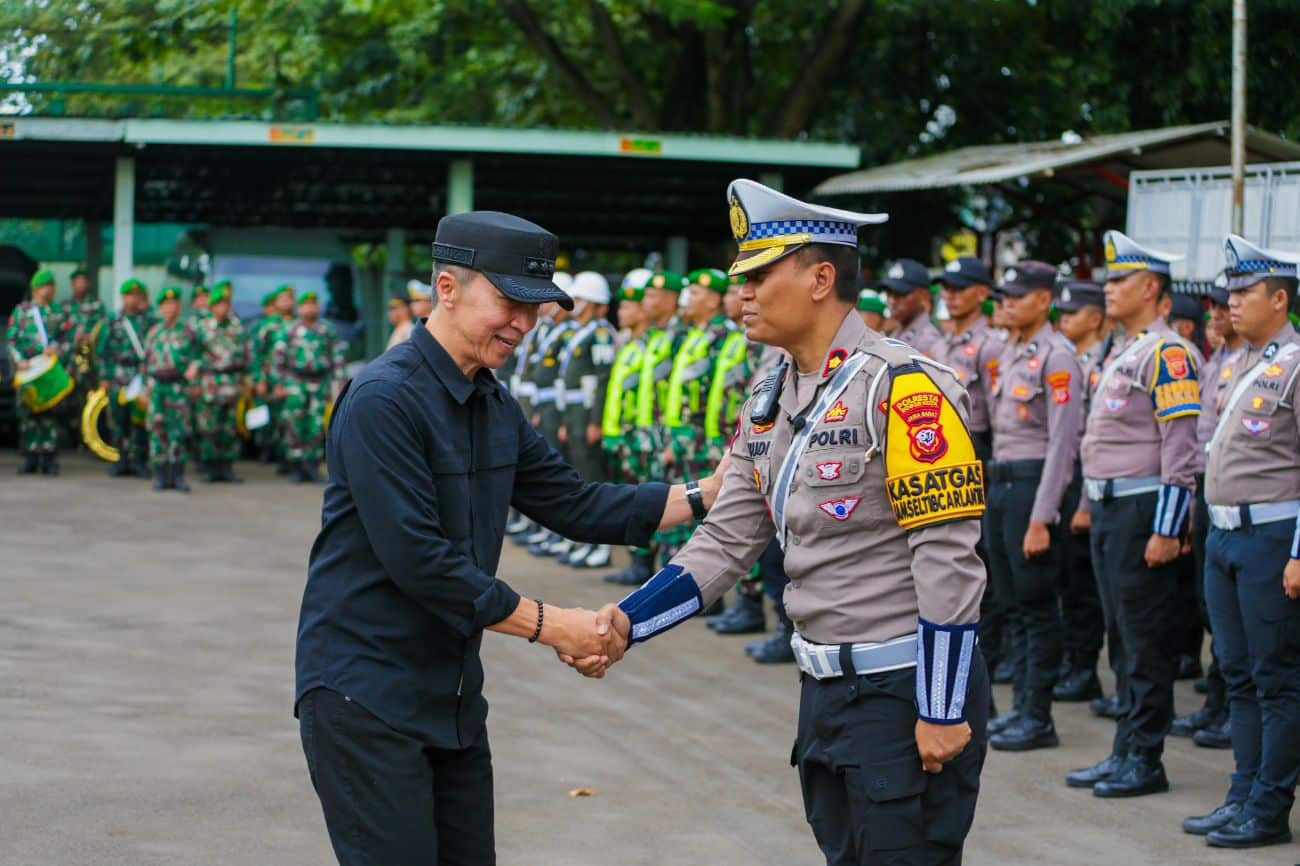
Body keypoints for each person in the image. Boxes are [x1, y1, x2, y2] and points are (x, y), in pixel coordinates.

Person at [295, 210, 721, 866]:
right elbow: (422, 561)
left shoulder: (492, 404)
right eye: (508, 302)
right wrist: (554, 624)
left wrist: (708, 495)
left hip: (453, 695)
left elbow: (576, 502)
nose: (522, 324)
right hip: (366, 694)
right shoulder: (383, 399)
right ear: (446, 288)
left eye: (535, 308)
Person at [582, 179, 989, 865]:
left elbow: (946, 555)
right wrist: (628, 622)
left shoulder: (902, 386)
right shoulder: (771, 389)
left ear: (821, 278)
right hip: (824, 694)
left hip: (902, 693)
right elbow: (727, 537)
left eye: (759, 276)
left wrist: (943, 707)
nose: (742, 294)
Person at [1066, 230, 1201, 797]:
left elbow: (1182, 451)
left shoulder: (1167, 352)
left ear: (1150, 288)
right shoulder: (1121, 350)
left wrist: (1169, 528)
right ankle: (1125, 747)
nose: (1108, 290)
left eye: (1119, 281)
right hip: (1111, 508)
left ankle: (1145, 758)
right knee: (1120, 635)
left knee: (1144, 639)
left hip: (1144, 509)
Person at [1184, 234, 1300, 849]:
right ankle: (1243, 794)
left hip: (1272, 537)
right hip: (1226, 537)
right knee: (1239, 674)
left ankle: (1269, 808)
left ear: (1279, 299)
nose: (1231, 302)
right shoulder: (1238, 363)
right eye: (1229, 292)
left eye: (1245, 291)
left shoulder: (1298, 362)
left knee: (1276, 676)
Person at [983, 261, 1084, 751]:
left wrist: (1043, 517)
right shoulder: (1008, 349)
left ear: (1045, 301)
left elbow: (1063, 446)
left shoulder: (1057, 356)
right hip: (1000, 485)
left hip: (1031, 489)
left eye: (1018, 296)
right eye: (1004, 295)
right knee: (1011, 604)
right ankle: (1022, 706)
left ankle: (1037, 716)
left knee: (1037, 604)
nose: (1007, 303)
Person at [1173, 280, 1240, 747]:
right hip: (1205, 491)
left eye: (1223, 304)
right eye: (1212, 304)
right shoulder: (1216, 362)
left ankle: (1231, 708)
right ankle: (1218, 704)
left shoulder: (1255, 363)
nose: (1214, 312)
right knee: (1211, 608)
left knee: (1235, 620)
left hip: (1237, 501)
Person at [1052, 280, 1108, 704]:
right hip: (1069, 481)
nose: (1064, 318)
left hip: (1090, 484)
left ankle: (1085, 667)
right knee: (1069, 584)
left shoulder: (1104, 360)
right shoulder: (1069, 358)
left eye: (1073, 313)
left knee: (1085, 588)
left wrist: (1086, 502)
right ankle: (1073, 662)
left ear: (1095, 317)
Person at [556, 270, 617, 569]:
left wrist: (596, 421)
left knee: (593, 481)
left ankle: (602, 546)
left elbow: (604, 379)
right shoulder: (580, 331)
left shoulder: (600, 333)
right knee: (580, 478)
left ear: (597, 304)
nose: (576, 303)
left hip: (587, 415)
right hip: (574, 413)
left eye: (582, 299)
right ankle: (588, 541)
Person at [271, 291, 344, 484]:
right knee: (294, 424)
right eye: (306, 305)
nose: (310, 308)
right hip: (295, 382)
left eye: (314, 304)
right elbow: (278, 358)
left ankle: (312, 466)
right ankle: (296, 467)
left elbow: (337, 358)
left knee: (316, 425)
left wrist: (338, 385)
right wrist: (278, 383)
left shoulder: (326, 329)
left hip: (319, 383)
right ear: (300, 308)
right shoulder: (290, 329)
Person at [6, 269, 70, 475]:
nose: (47, 290)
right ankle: (31, 456)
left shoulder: (58, 312)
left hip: (47, 369)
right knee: (28, 413)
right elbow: (11, 341)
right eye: (44, 286)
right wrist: (19, 361)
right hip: (28, 369)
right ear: (35, 289)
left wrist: (57, 350)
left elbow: (66, 339)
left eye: (50, 286)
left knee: (49, 414)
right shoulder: (22, 311)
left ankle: (49, 457)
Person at [97, 278, 157, 478]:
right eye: (128, 295)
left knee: (139, 421)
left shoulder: (148, 319)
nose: (131, 300)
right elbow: (103, 351)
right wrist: (104, 378)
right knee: (118, 420)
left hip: (139, 376)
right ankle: (122, 460)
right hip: (118, 376)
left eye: (135, 295)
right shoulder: (114, 319)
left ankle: (139, 461)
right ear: (123, 297)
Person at [143, 287, 201, 492]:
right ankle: (160, 475)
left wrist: (194, 382)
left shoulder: (187, 332)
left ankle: (177, 475)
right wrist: (145, 391)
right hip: (157, 387)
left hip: (178, 388)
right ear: (160, 308)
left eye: (173, 303)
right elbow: (145, 364)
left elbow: (197, 359)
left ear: (179, 306)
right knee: (158, 431)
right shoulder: (153, 333)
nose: (169, 308)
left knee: (178, 432)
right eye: (165, 305)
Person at [194, 283, 250, 483]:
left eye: (225, 304)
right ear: (211, 306)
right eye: (218, 304)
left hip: (232, 382)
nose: (222, 308)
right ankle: (211, 467)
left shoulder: (237, 327)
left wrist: (247, 380)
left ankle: (227, 467)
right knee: (210, 426)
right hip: (210, 381)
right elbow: (193, 354)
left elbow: (246, 355)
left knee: (229, 427)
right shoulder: (202, 327)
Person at [880, 258, 945, 358]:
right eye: (889, 294)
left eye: (900, 293)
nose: (892, 301)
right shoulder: (897, 333)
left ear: (924, 296)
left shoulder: (929, 341)